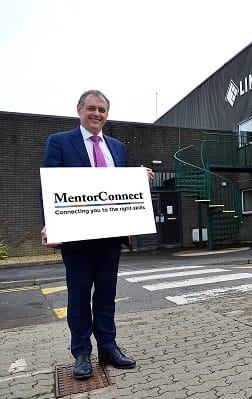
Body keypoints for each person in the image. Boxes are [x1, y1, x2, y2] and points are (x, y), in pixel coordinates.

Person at [41, 90, 155, 379]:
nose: (96, 114)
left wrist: (137, 180)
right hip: (76, 235)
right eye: (91, 108)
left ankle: (108, 347)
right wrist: (49, 224)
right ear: (79, 110)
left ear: (107, 114)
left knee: (106, 294)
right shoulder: (60, 142)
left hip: (110, 235)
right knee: (79, 296)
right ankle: (81, 352)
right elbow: (49, 187)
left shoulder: (116, 147)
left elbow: (117, 187)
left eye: (102, 110)